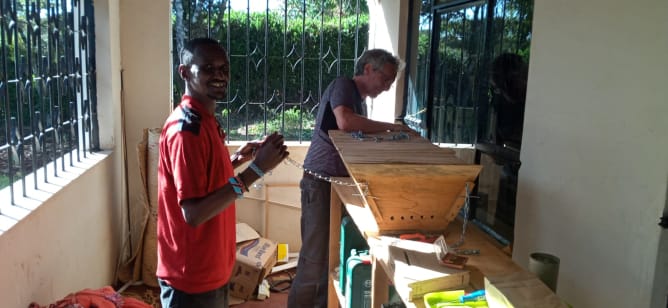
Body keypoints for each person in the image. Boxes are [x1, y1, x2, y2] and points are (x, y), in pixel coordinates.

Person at [156, 37, 289, 308]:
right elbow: (194, 213)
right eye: (207, 68)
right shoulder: (186, 131)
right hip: (191, 278)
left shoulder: (204, 120)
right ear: (184, 72)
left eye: (223, 68)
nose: (219, 76)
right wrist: (256, 170)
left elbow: (205, 177)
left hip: (211, 269)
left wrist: (240, 158)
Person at [287, 49, 415, 307]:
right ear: (368, 68)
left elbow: (356, 131)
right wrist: (393, 127)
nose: (388, 87)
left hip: (337, 185)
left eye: (392, 82)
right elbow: (345, 122)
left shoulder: (360, 101)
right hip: (320, 182)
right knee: (315, 258)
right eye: (387, 79)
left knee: (332, 255)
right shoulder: (343, 85)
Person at [488, 52, 528, 227]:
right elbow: (495, 150)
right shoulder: (503, 102)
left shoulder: (505, 102)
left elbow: (494, 149)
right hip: (513, 171)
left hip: (515, 170)